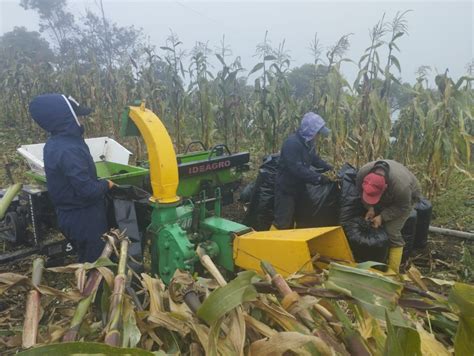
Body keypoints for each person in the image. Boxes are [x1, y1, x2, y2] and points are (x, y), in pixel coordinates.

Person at [29, 94, 114, 263]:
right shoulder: (69, 150)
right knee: (95, 268)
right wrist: (107, 184)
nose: (82, 120)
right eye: (78, 115)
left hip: (70, 216)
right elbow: (87, 191)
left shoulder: (55, 143)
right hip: (85, 219)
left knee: (86, 259)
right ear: (66, 118)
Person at [356, 160, 421, 272]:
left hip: (407, 198)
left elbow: (402, 207)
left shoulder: (401, 187)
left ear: (385, 187)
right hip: (392, 192)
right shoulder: (362, 173)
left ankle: (393, 272)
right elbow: (360, 192)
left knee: (391, 231)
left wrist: (382, 217)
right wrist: (370, 208)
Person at [273, 112, 333, 230]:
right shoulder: (292, 143)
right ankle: (279, 245)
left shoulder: (308, 143)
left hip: (299, 188)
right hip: (287, 189)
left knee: (302, 218)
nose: (318, 136)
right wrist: (319, 178)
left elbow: (314, 158)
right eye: (317, 133)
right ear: (310, 131)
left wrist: (329, 167)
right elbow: (297, 169)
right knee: (284, 222)